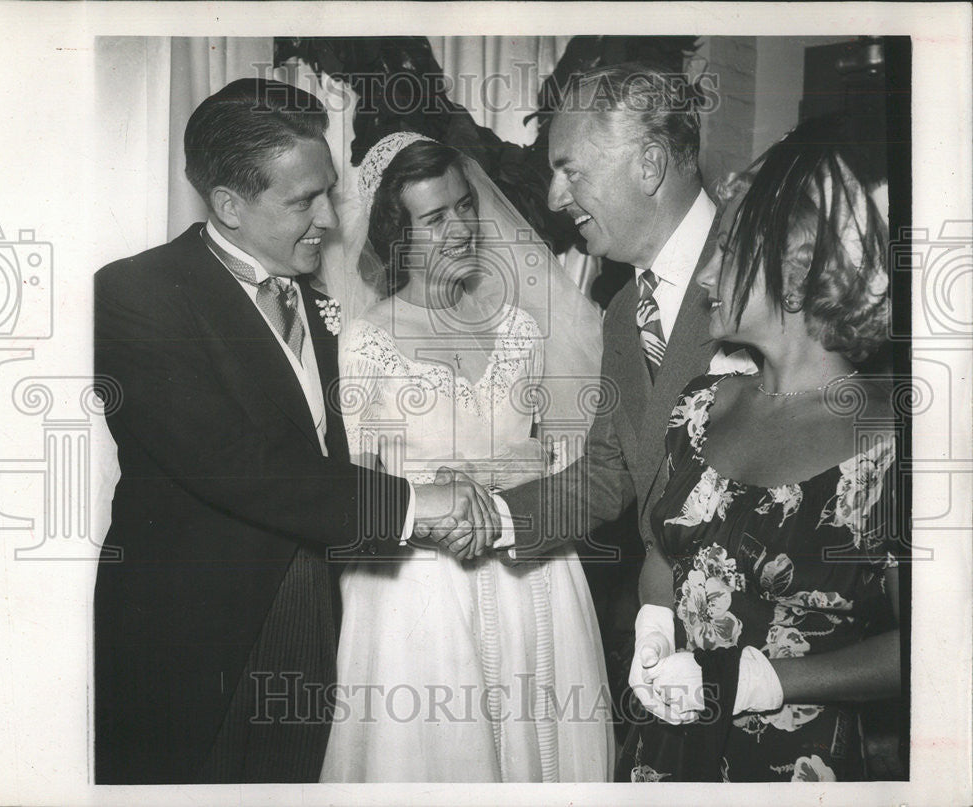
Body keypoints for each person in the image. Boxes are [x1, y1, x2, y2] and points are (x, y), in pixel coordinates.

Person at [93, 79, 496, 784]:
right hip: (198, 642)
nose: (329, 221)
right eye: (302, 201)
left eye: (328, 193)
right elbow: (231, 462)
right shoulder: (137, 294)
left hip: (318, 618)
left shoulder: (319, 300)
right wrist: (413, 503)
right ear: (229, 205)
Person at [319, 132, 614, 782]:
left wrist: (509, 479)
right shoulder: (364, 343)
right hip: (421, 591)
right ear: (397, 233)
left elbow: (561, 458)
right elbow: (361, 489)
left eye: (463, 207)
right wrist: (426, 488)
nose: (459, 229)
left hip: (531, 569)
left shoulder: (518, 329)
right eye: (433, 218)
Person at [623, 113, 900, 782]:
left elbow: (940, 645)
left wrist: (768, 680)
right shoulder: (701, 403)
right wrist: (655, 624)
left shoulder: (896, 437)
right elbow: (666, 551)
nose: (707, 273)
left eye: (727, 249)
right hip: (671, 750)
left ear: (798, 271)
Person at [492, 63, 756, 712]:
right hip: (668, 644)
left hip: (762, 653)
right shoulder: (621, 312)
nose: (554, 198)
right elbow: (611, 472)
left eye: (570, 170)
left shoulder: (761, 269)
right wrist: (489, 517)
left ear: (648, 164)